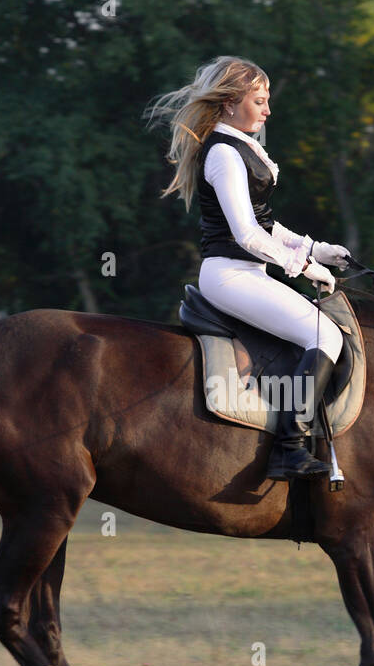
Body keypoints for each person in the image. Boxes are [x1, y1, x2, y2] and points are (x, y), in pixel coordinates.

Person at [146, 56, 350, 480]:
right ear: (228, 105)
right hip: (230, 275)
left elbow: (266, 223)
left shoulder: (240, 146)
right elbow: (247, 234)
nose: (268, 110)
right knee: (322, 333)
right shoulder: (223, 153)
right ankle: (288, 448)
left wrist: (319, 248)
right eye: (259, 100)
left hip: (247, 274)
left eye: (267, 99)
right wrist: (304, 266)